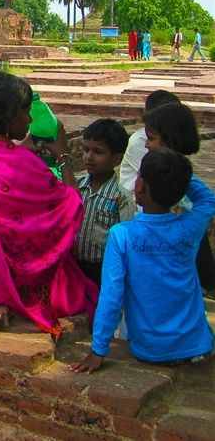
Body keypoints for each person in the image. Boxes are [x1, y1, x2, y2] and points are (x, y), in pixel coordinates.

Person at [0, 72, 98, 335]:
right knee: (75, 284)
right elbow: (72, 206)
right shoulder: (22, 164)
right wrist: (62, 156)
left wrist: (18, 149)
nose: (29, 119)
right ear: (9, 116)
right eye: (26, 112)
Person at [72, 149, 215, 373]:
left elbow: (111, 296)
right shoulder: (189, 227)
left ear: (140, 187)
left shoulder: (123, 235)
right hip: (197, 346)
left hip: (151, 350)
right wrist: (176, 178)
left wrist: (99, 349)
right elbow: (207, 199)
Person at [143, 102, 215, 293]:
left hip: (185, 262)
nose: (146, 144)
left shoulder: (183, 184)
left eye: (151, 138)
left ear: (170, 141)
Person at [74, 119, 134, 285]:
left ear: (117, 159)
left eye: (98, 152)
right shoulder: (77, 187)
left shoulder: (121, 197)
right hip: (73, 265)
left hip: (103, 269)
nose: (89, 157)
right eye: (86, 150)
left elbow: (127, 241)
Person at [119, 90, 179, 198]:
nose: (147, 144)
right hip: (137, 201)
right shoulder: (139, 141)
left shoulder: (169, 137)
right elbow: (160, 177)